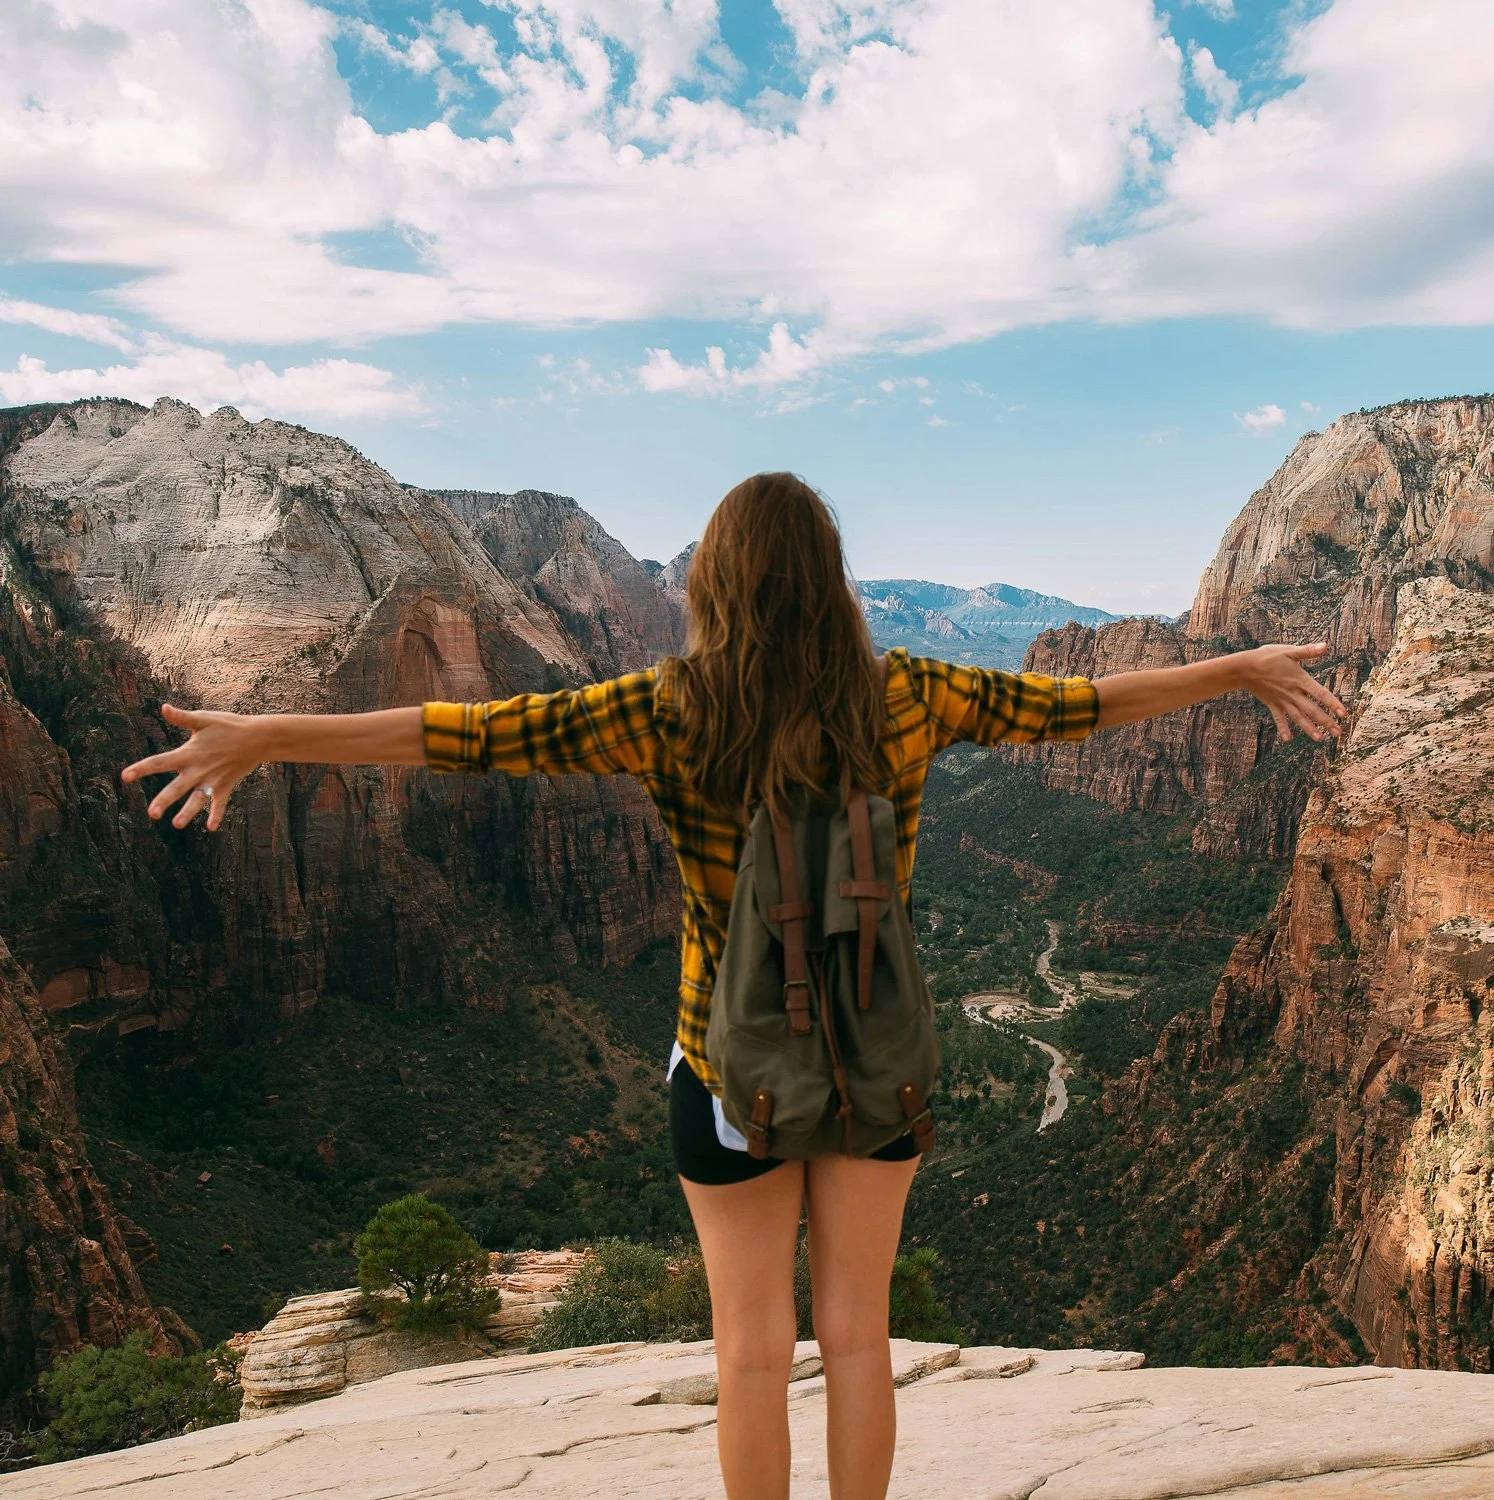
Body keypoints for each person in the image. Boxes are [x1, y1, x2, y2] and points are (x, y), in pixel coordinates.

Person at [120, 472, 1345, 1500]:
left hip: (724, 1073)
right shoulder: (908, 693)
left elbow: (467, 735)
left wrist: (273, 733)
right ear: (831, 581)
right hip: (881, 1066)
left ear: (713, 588)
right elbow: (1075, 709)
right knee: (858, 1339)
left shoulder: (671, 709)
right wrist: (1231, 669)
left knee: (753, 1351)